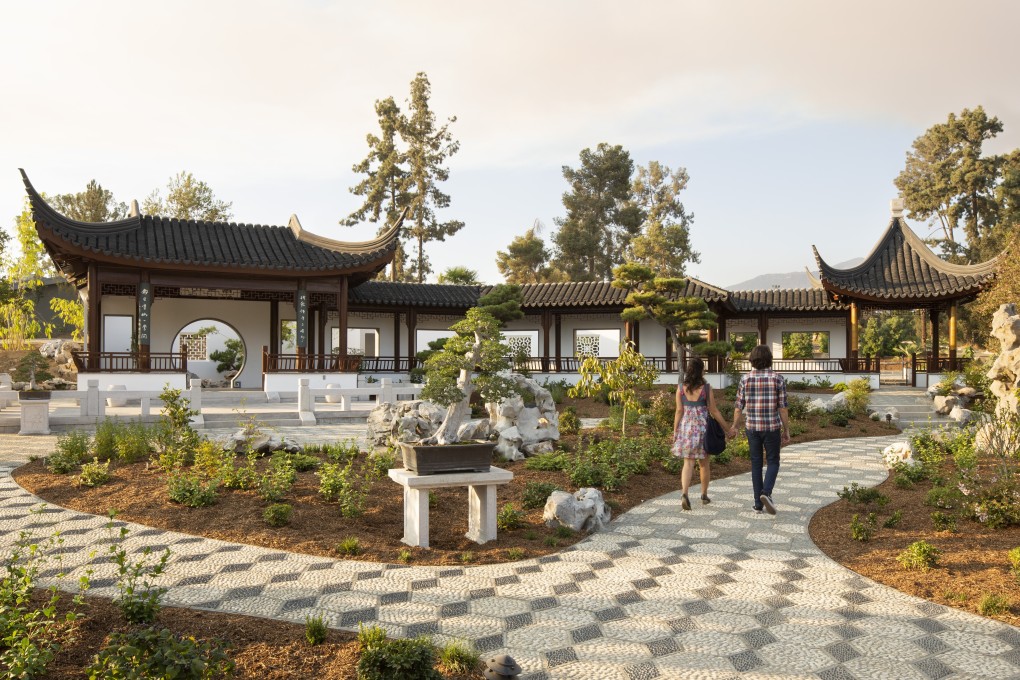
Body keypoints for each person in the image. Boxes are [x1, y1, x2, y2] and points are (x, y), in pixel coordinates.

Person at [730, 344, 790, 515]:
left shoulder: (745, 379)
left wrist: (734, 426)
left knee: (756, 464)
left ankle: (758, 504)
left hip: (753, 428)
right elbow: (783, 408)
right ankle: (766, 492)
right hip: (771, 427)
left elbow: (738, 407)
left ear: (752, 359)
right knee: (773, 461)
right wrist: (786, 430)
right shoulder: (778, 378)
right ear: (769, 359)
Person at [672, 357, 731, 511]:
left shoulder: (680, 388)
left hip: (686, 428)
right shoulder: (706, 388)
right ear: (701, 370)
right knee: (704, 464)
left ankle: (684, 493)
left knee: (688, 463)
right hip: (703, 429)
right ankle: (704, 495)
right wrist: (727, 428)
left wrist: (675, 430)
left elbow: (679, 411)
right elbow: (714, 410)